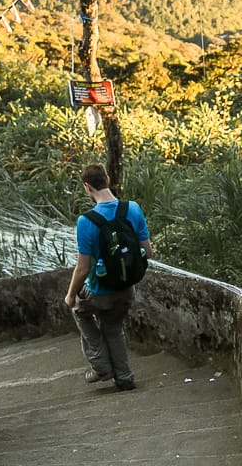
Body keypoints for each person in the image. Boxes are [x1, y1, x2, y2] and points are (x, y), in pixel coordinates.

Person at [63, 163, 151, 392]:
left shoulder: (86, 221)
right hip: (126, 289)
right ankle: (124, 377)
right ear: (108, 179)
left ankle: (100, 366)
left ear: (87, 187)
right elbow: (147, 252)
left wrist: (70, 295)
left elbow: (82, 269)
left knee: (80, 312)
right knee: (113, 327)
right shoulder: (133, 209)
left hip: (100, 291)